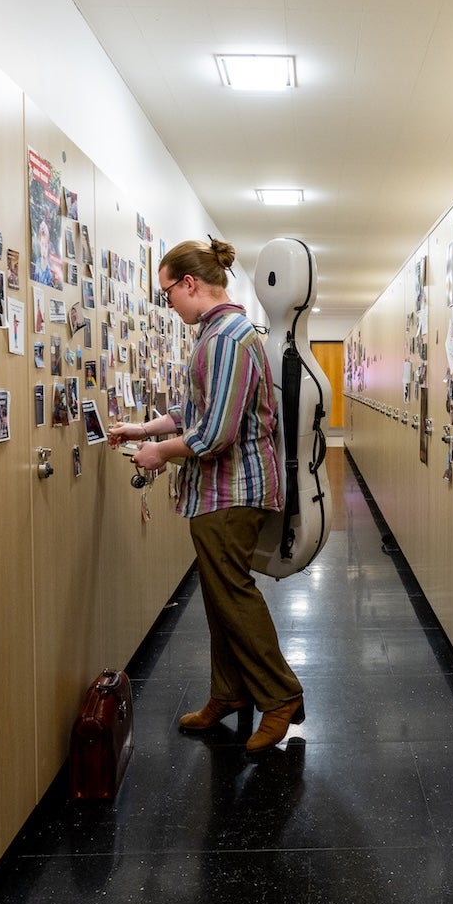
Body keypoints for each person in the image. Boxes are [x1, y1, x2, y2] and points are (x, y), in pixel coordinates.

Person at [110, 239, 303, 754]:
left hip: (232, 491)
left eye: (167, 291)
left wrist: (159, 453)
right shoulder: (218, 334)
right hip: (218, 491)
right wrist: (142, 430)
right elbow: (193, 410)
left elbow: (213, 434)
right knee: (220, 598)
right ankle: (230, 692)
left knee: (233, 595)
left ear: (189, 284)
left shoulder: (227, 338)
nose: (167, 303)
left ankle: (281, 696)